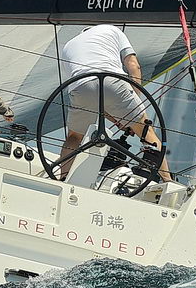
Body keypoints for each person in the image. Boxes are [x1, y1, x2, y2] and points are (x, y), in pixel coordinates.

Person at [53, 24, 170, 182]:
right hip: (112, 80)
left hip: (81, 86)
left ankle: (63, 178)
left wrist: (117, 119)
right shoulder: (111, 30)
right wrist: (132, 109)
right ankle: (168, 181)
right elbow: (134, 66)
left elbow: (92, 93)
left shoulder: (68, 46)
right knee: (146, 131)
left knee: (74, 137)